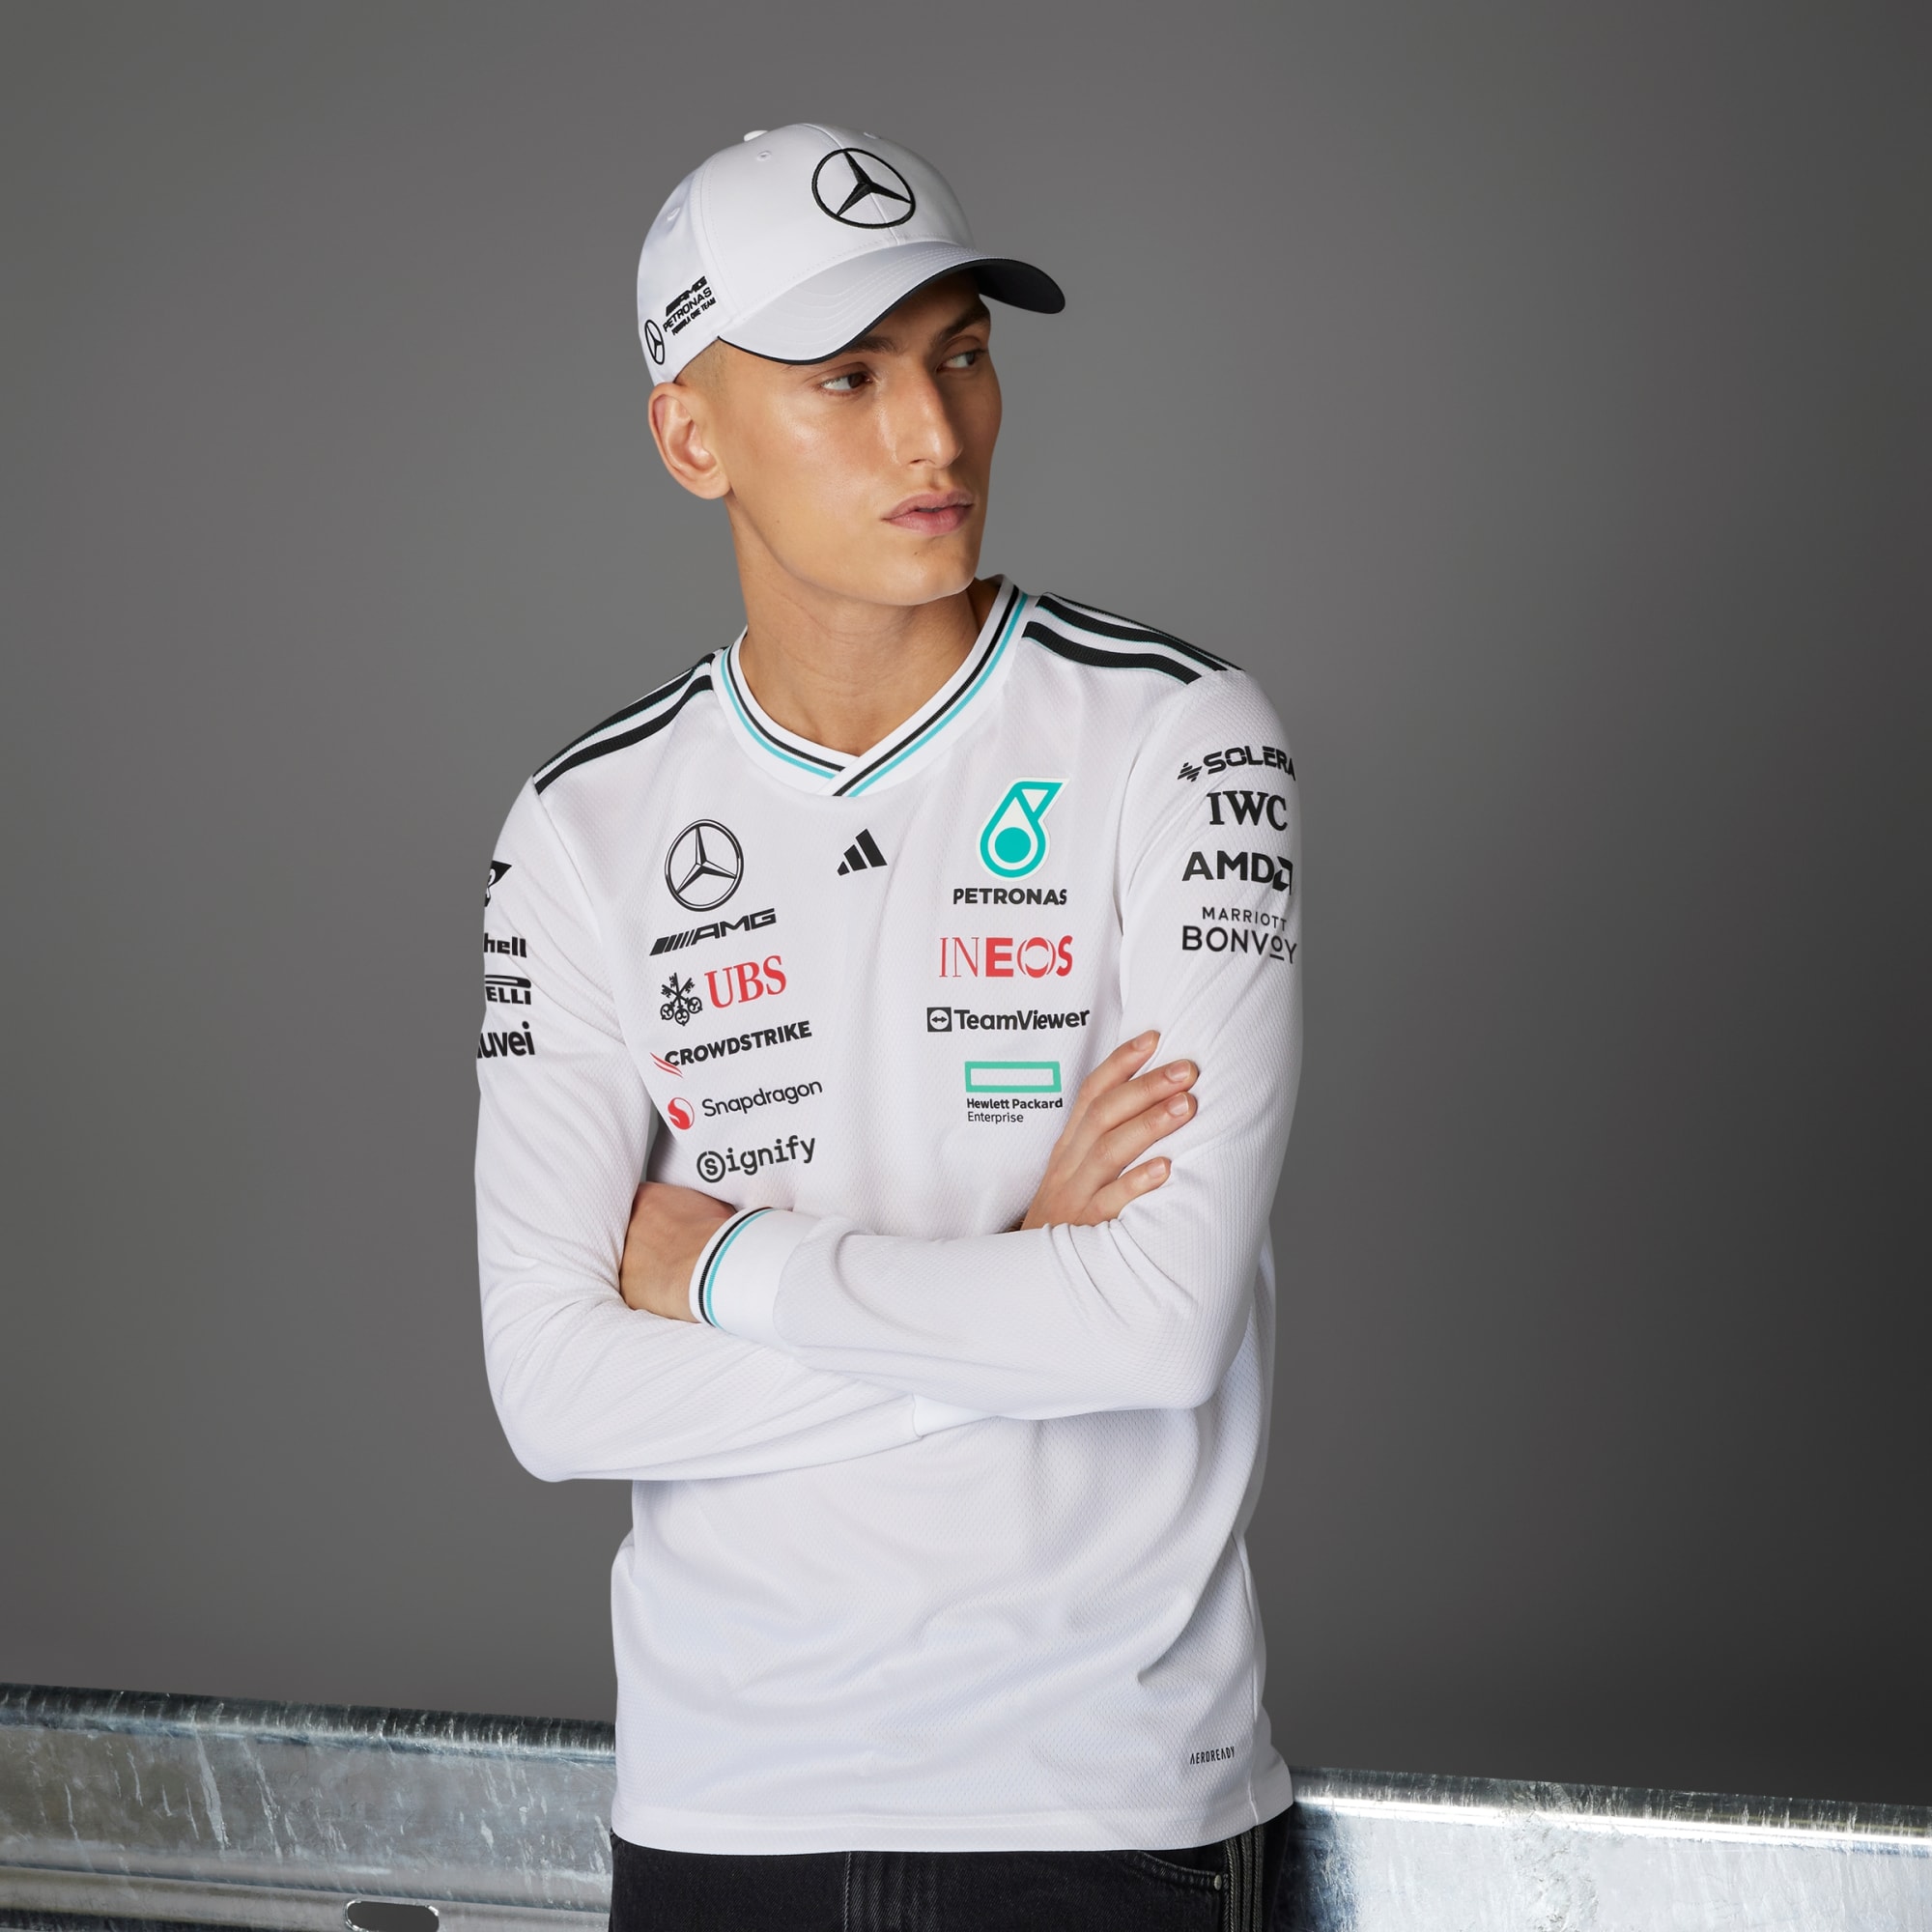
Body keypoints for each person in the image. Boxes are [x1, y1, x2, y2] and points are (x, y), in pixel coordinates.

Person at [474, 122, 1303, 1931]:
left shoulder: (1178, 738)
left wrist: (727, 1266)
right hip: (718, 1813)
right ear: (692, 437)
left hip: (1106, 1804)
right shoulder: (580, 827)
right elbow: (553, 1391)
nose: (937, 434)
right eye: (847, 377)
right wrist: (1019, 1289)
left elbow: (1156, 1325)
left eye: (963, 354)